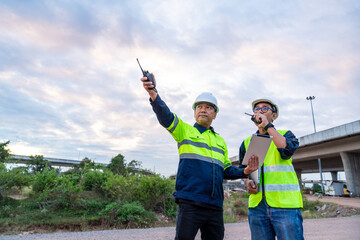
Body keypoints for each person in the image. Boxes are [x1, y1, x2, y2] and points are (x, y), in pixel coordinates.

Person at [141, 74, 259, 240]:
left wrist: (245, 171)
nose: (203, 109)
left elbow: (225, 170)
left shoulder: (220, 141)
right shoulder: (185, 131)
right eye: (200, 107)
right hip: (190, 203)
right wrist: (153, 94)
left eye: (209, 107)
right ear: (195, 111)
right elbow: (165, 116)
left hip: (215, 206)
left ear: (215, 114)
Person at [239, 98, 304, 240]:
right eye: (256, 109)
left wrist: (267, 126)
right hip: (257, 206)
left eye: (264, 109)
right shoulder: (246, 142)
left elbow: (286, 150)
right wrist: (247, 182)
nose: (259, 111)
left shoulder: (286, 134)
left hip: (285, 206)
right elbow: (243, 170)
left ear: (274, 116)